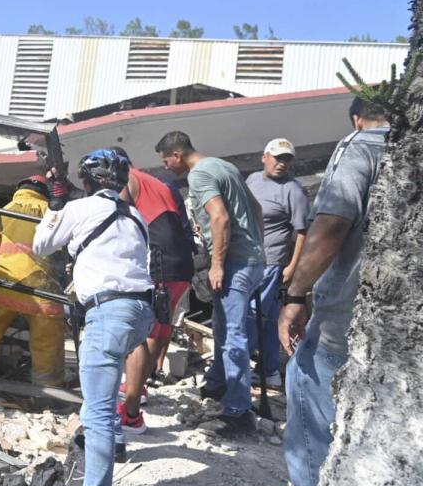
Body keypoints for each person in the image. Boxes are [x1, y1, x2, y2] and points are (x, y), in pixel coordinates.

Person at [279, 98, 389, 486]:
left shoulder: (361, 146)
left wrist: (294, 297)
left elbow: (330, 226)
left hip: (346, 324)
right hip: (398, 340)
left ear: (358, 118)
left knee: (311, 430)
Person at [32, 149, 154, 486]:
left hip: (108, 312)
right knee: (111, 377)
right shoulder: (135, 215)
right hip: (140, 312)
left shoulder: (80, 208)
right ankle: (116, 443)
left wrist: (56, 204)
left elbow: (42, 245)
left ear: (85, 181)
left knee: (96, 413)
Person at [155, 130, 264, 434]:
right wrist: (257, 245)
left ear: (177, 155)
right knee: (223, 326)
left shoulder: (199, 175)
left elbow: (220, 218)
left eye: (166, 161)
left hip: (235, 262)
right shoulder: (223, 166)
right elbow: (257, 209)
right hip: (253, 259)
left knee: (232, 337)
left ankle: (239, 412)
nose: (166, 168)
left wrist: (217, 264)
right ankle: (216, 385)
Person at [111, 146, 195, 435]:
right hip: (181, 261)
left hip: (158, 259)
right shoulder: (159, 182)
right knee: (159, 327)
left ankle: (131, 410)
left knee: (139, 331)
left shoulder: (126, 179)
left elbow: (118, 220)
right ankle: (139, 388)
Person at [0, 175, 67, 386]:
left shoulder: (5, 210)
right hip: (40, 284)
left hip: (5, 282)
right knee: (47, 334)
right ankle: (48, 385)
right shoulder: (52, 212)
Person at [246, 138, 309, 388]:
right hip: (249, 258)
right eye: (277, 157)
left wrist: (292, 267)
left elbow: (302, 231)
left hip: (272, 262)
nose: (281, 164)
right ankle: (270, 370)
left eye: (286, 159)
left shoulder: (293, 190)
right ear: (265, 157)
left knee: (251, 314)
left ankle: (237, 366)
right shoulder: (251, 180)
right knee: (270, 318)